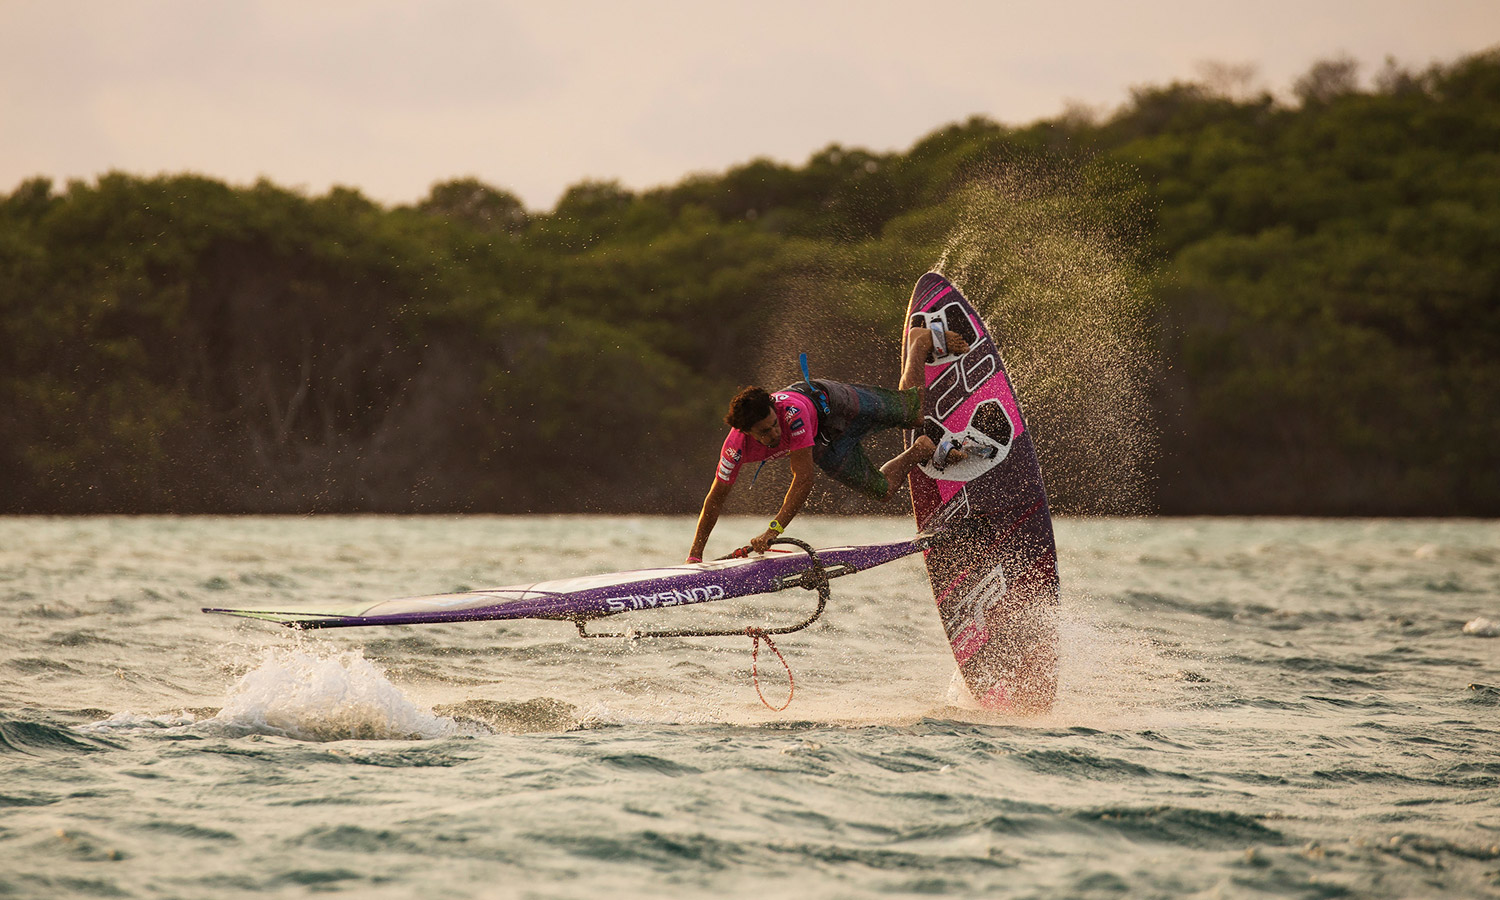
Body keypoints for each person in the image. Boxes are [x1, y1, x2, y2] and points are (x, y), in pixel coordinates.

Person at [686, 326, 968, 562]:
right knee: (883, 491)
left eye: (774, 424)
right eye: (764, 432)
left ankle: (919, 341)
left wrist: (773, 530)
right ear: (746, 432)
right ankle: (920, 449)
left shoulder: (792, 417)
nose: (773, 434)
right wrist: (695, 556)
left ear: (774, 407)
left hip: (833, 402)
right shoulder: (735, 448)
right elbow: (715, 499)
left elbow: (803, 479)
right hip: (821, 443)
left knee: (914, 414)